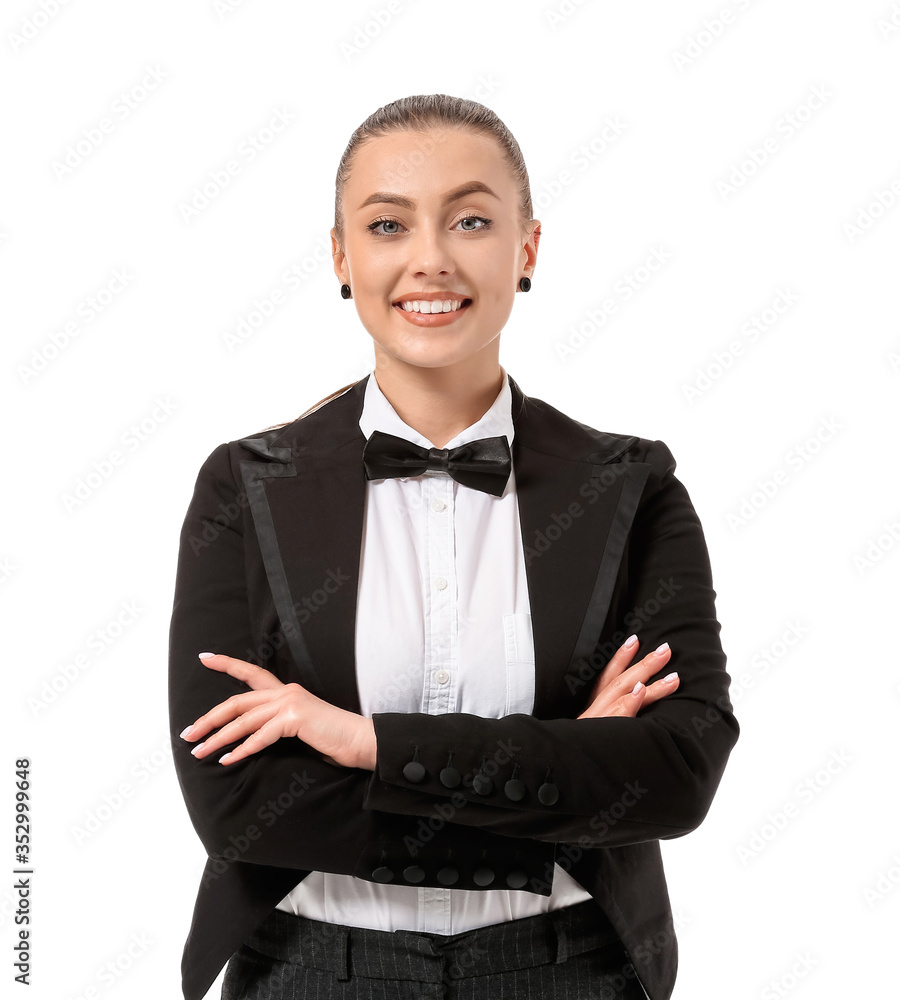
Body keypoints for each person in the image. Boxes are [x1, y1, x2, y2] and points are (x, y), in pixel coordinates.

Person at [168, 93, 740, 1000]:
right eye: (388, 224)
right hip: (312, 975)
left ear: (526, 251)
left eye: (471, 219)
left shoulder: (632, 486)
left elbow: (675, 776)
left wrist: (366, 745)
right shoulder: (245, 487)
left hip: (572, 974)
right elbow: (243, 813)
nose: (429, 258)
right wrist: (563, 767)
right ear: (342, 258)